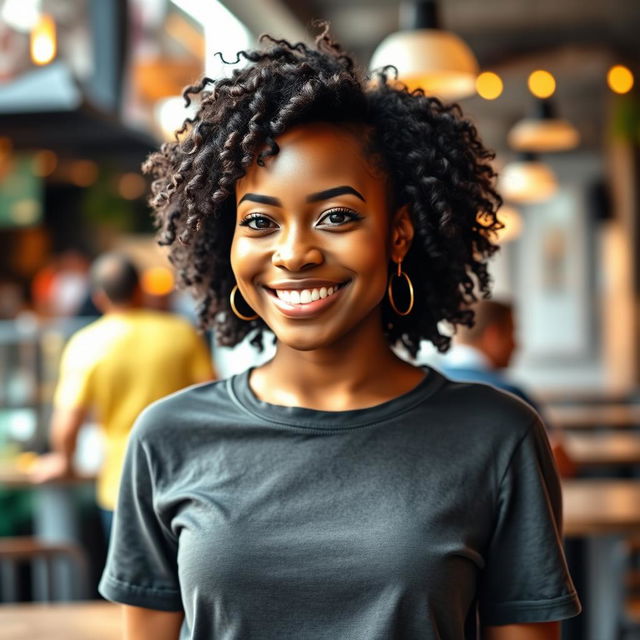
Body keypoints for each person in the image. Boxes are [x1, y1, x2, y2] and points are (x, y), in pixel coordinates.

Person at [98, 27, 580, 640]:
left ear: (398, 234)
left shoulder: (498, 437)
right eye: (261, 221)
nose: (294, 253)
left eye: (336, 216)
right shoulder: (167, 438)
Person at [31, 253, 215, 538]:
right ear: (140, 289)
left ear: (99, 297)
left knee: (131, 581)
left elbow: (67, 424)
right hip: (185, 480)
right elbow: (211, 398)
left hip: (121, 486)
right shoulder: (180, 332)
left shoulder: (86, 344)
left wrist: (63, 460)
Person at [440, 299, 576, 477]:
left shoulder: (427, 387)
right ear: (493, 335)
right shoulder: (508, 393)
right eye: (513, 333)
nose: (517, 345)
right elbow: (561, 464)